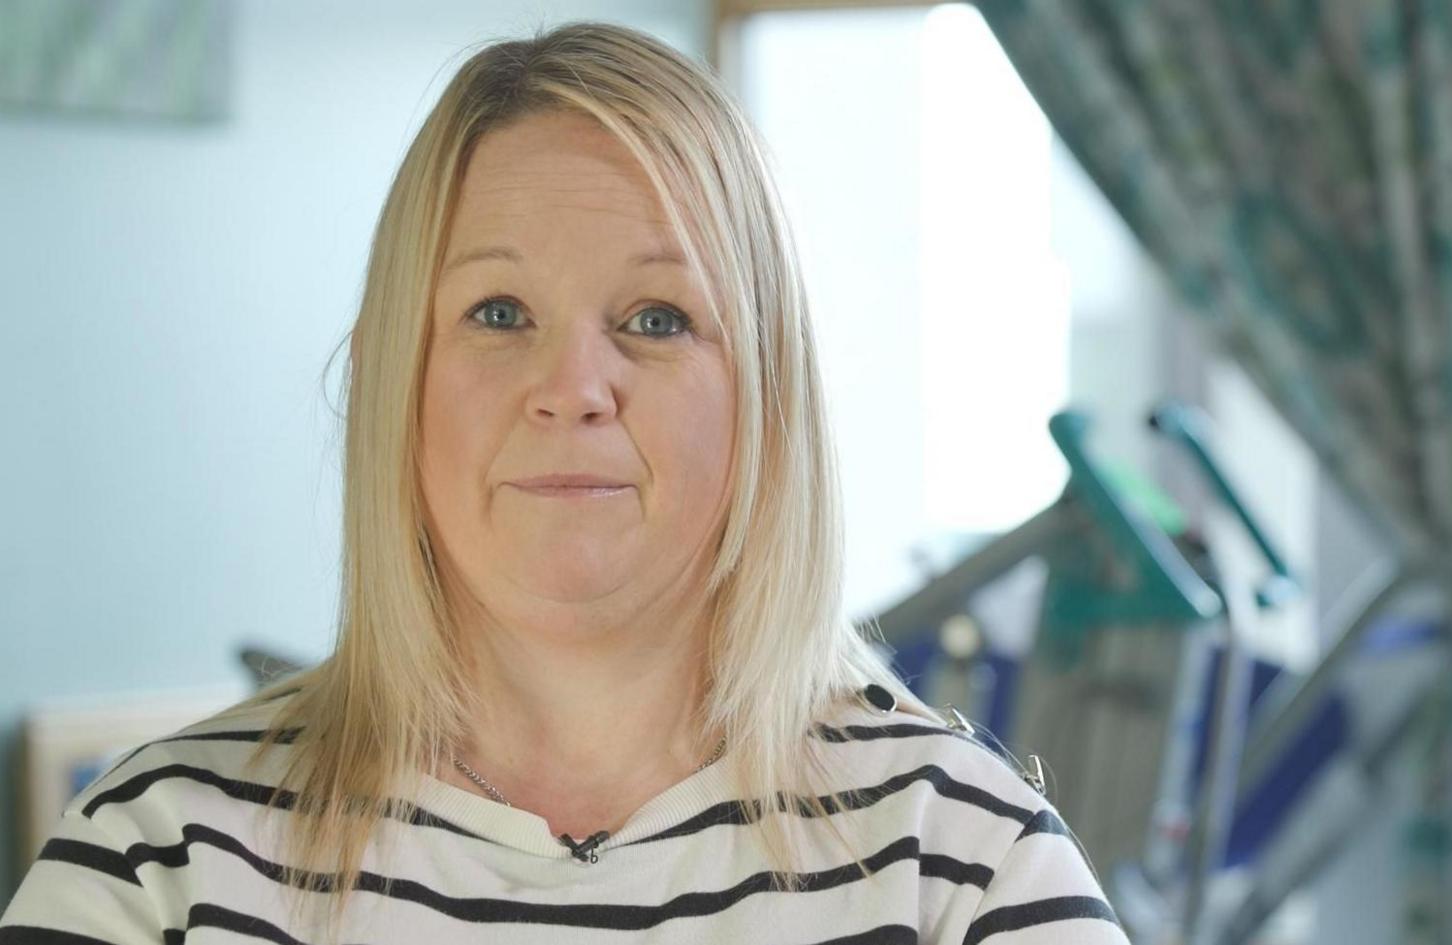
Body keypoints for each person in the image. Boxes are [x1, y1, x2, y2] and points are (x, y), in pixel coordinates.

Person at [0, 22, 1127, 944]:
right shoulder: (160, 860)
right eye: (499, 314)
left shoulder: (966, 870)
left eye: (655, 320)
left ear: (768, 405)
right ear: (403, 382)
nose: (571, 387)